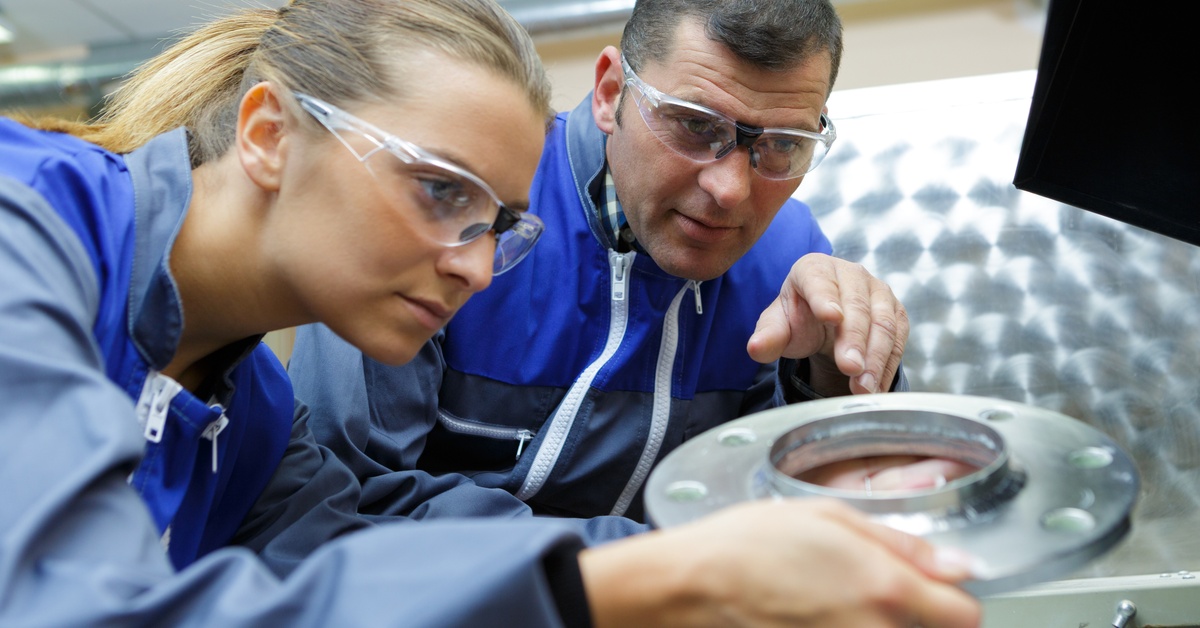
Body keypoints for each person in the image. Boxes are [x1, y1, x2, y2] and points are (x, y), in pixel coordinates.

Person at [0, 0, 980, 625]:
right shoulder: (27, 226)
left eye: (500, 225)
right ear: (267, 134)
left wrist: (718, 554)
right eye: (440, 193)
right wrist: (659, 581)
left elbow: (365, 562)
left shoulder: (248, 411)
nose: (477, 267)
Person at [288, 0, 963, 531]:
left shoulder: (786, 259)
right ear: (610, 92)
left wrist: (830, 381)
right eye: (696, 125)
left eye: (782, 145)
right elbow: (340, 502)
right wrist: (644, 567)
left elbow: (802, 520)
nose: (731, 189)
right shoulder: (467, 207)